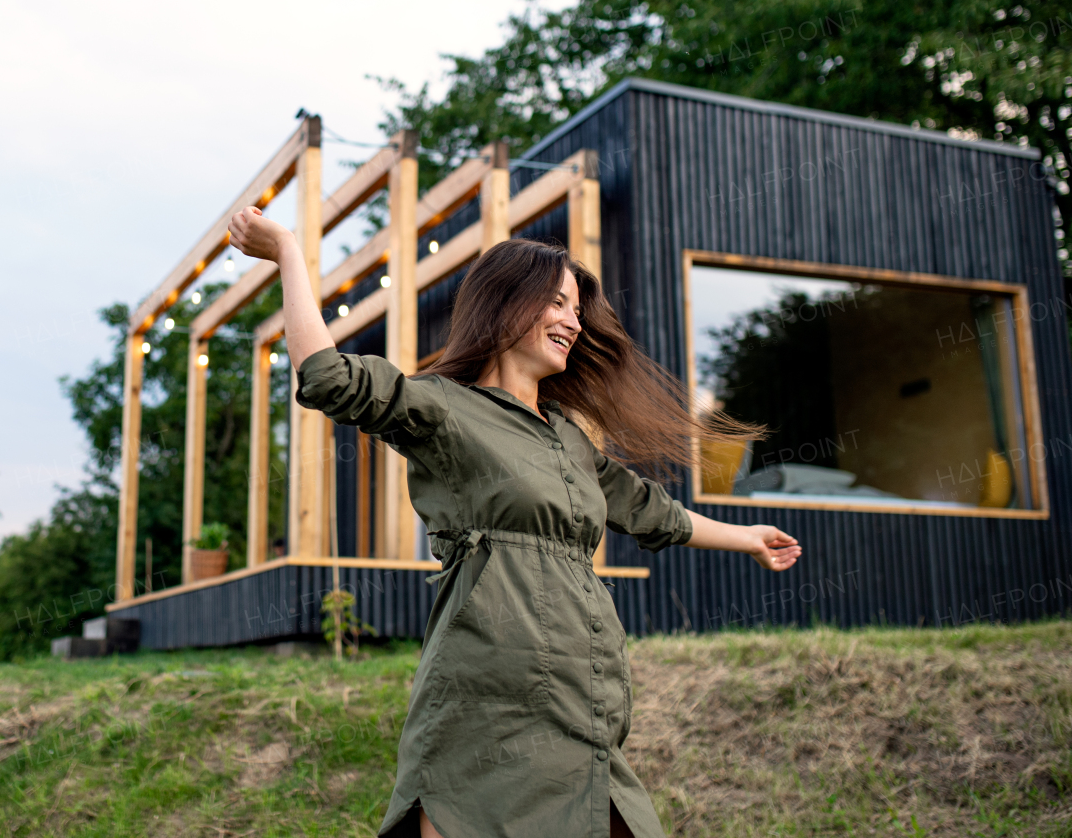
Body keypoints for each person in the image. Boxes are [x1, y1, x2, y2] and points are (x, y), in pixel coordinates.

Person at [228, 206, 803, 838]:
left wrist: (746, 537)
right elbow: (327, 378)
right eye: (558, 303)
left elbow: (647, 510)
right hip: (488, 699)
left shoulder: (570, 440)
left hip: (583, 699)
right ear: (507, 304)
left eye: (578, 311)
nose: (573, 322)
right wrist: (287, 250)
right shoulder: (444, 407)